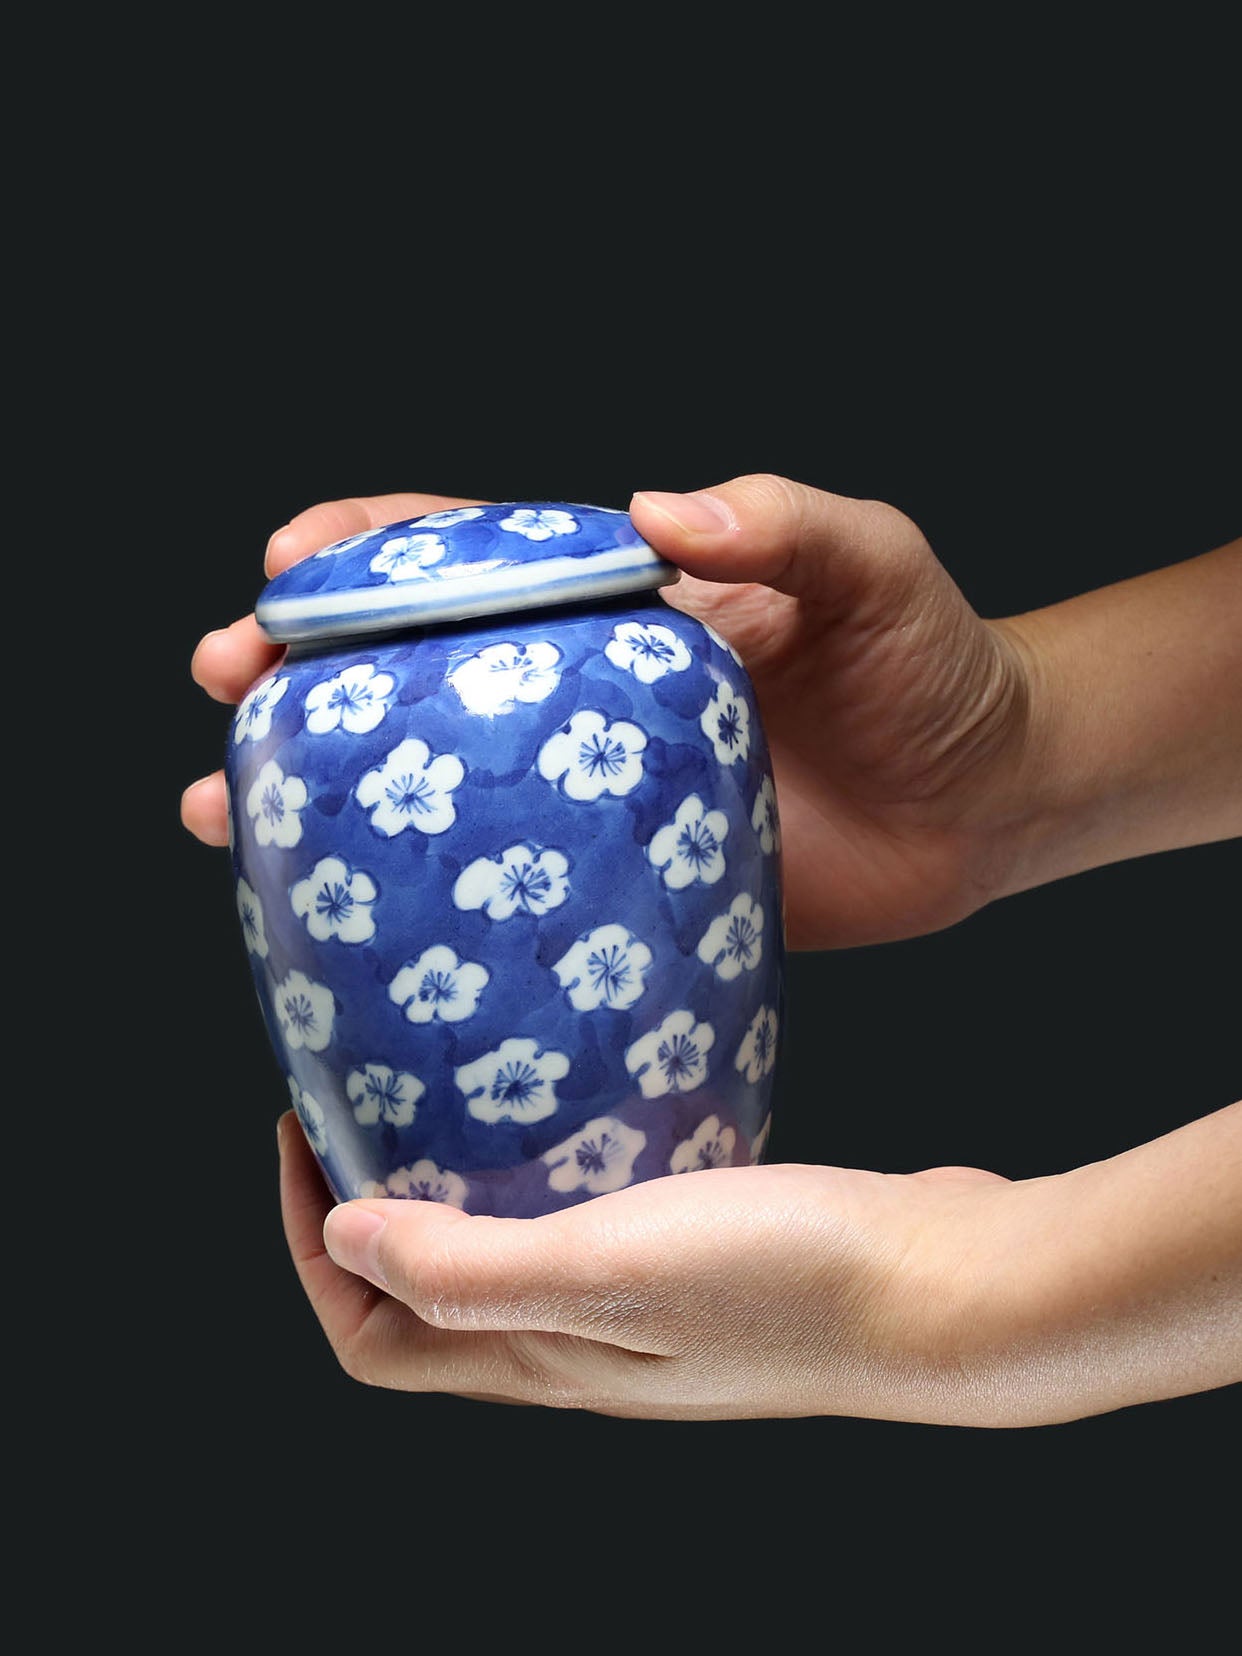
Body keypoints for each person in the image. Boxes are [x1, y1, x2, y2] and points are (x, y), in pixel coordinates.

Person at [181, 474, 1242, 1425]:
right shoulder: (317, 700)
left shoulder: (667, 657)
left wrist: (935, 1297)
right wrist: (1016, 747)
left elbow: (931, 1300)